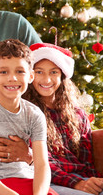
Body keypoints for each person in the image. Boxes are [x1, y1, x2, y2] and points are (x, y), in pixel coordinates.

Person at [0, 39, 56, 195]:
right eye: (3, 72)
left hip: (26, 179)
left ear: (31, 76)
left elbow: (41, 166)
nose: (12, 78)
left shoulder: (34, 114)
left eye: (20, 71)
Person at [23, 43, 103, 195]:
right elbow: (42, 163)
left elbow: (87, 161)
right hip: (50, 181)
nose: (47, 80)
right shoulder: (27, 113)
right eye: (39, 72)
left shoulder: (78, 114)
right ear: (31, 75)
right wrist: (77, 183)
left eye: (53, 72)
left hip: (82, 179)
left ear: (62, 76)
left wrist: (94, 181)